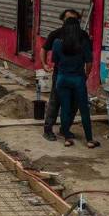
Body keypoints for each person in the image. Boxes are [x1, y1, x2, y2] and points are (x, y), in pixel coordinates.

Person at [51, 16, 98, 148]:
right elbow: (89, 62)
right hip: (78, 79)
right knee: (84, 110)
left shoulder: (57, 43)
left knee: (65, 108)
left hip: (62, 78)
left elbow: (55, 61)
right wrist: (86, 75)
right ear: (78, 28)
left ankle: (67, 138)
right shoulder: (83, 43)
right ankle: (89, 140)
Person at [40, 9, 82, 142]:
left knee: (74, 104)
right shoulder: (56, 34)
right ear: (63, 20)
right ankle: (48, 130)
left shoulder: (82, 36)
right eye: (68, 19)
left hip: (77, 75)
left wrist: (86, 72)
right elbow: (44, 48)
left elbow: (89, 56)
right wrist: (44, 64)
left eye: (73, 19)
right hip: (60, 75)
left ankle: (65, 129)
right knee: (55, 102)